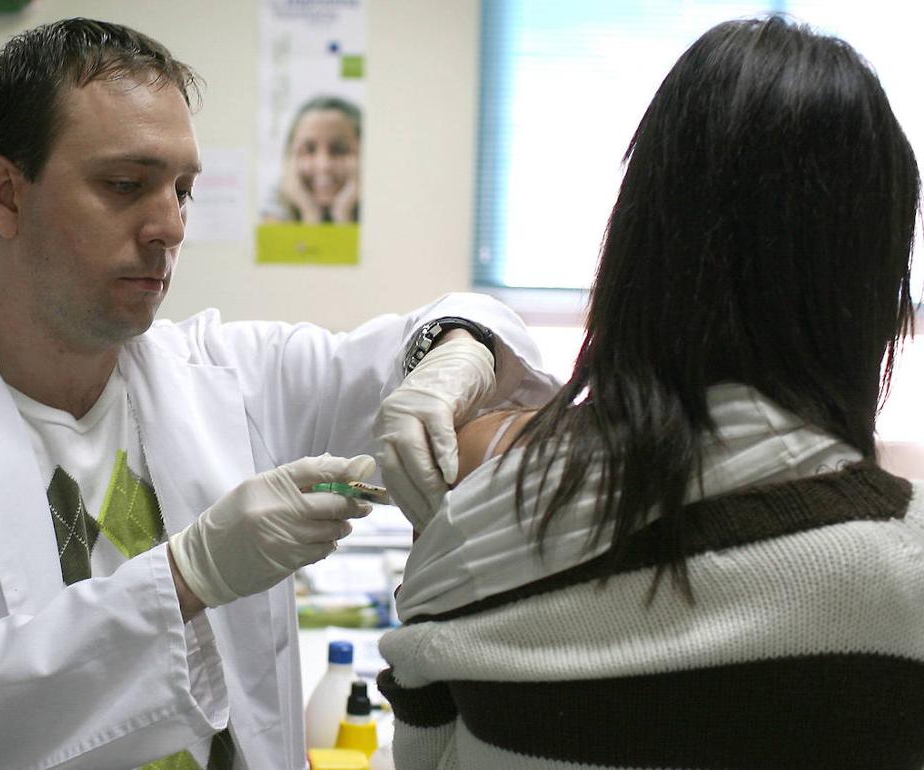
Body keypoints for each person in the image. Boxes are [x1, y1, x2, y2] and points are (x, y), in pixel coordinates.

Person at [0, 18, 557, 770]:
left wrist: (448, 359)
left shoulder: (227, 373)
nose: (169, 226)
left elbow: (456, 325)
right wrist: (187, 577)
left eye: (183, 190)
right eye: (126, 185)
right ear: (7, 195)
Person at [376, 15, 924, 770]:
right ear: (869, 292)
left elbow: (423, 756)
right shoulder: (905, 575)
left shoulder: (475, 527)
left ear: (639, 243)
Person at [263, 95, 362, 224]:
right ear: (289, 159)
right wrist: (310, 215)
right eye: (308, 150)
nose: (324, 165)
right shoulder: (273, 210)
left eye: (339, 150)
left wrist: (343, 216)